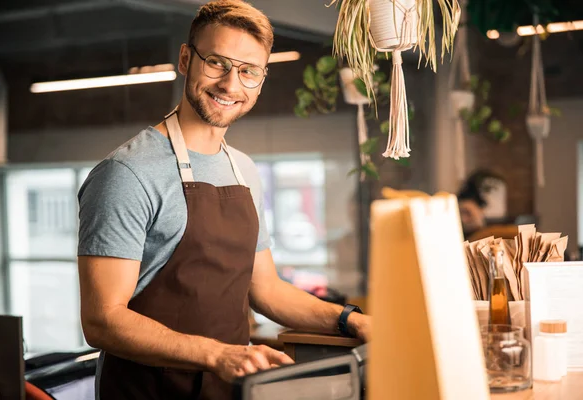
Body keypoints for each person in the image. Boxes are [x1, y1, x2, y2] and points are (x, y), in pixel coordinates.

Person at [76, 1, 371, 399]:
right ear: (185, 59)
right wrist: (217, 354)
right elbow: (102, 321)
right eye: (217, 62)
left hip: (227, 390)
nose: (231, 85)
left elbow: (266, 288)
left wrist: (351, 320)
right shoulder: (128, 174)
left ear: (261, 79)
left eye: (248, 71)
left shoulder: (243, 170)